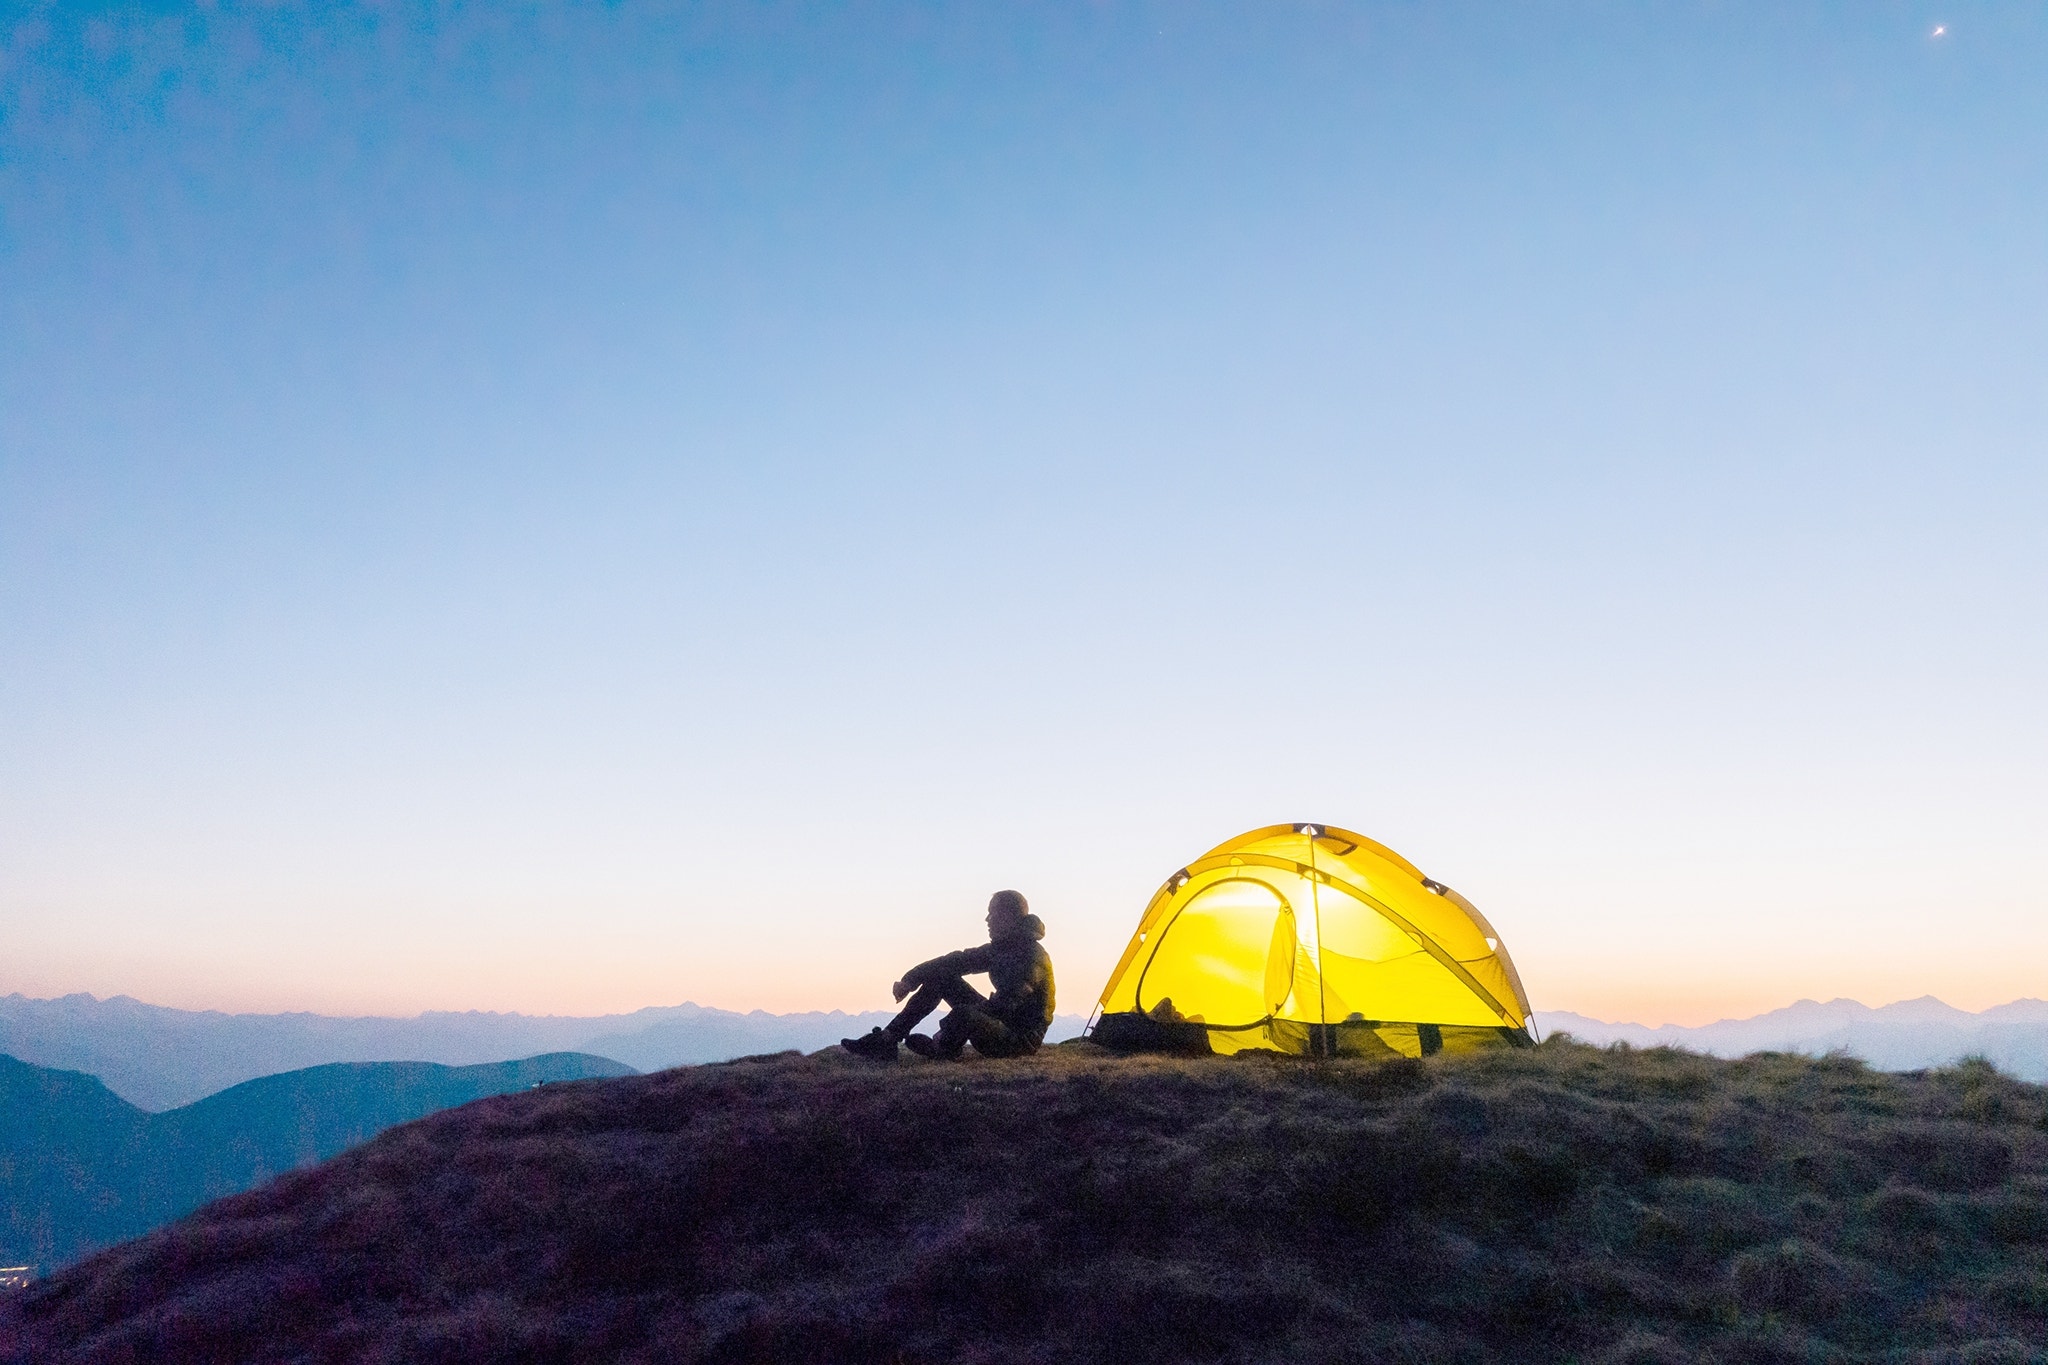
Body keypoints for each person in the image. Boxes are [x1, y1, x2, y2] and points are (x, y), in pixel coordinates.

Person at [841, 890, 1054, 1061]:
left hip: (1019, 1040)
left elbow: (1005, 1005)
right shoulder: (1002, 948)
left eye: (993, 913)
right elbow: (955, 961)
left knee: (965, 1014)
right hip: (1000, 1023)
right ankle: (887, 1039)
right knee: (941, 976)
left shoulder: (1031, 957)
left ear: (1008, 917)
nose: (987, 919)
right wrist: (910, 980)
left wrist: (949, 1026)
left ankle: (943, 1048)